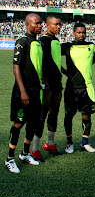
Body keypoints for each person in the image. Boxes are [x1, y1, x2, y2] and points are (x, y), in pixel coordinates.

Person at [5, 13, 43, 173]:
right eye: (37, 23)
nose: (40, 25)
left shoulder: (38, 42)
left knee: (32, 124)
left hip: (36, 92)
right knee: (18, 123)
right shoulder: (22, 41)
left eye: (41, 23)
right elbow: (16, 67)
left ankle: (25, 154)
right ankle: (9, 158)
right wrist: (23, 91)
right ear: (28, 25)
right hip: (23, 93)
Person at [62, 22, 95, 154]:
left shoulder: (91, 46)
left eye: (83, 32)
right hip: (71, 88)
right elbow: (52, 56)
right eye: (79, 32)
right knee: (69, 116)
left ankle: (85, 142)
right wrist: (64, 71)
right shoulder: (67, 47)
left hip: (87, 88)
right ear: (73, 33)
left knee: (87, 116)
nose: (82, 35)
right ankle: (69, 143)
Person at [31, 14, 63, 162]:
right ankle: (35, 148)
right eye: (55, 24)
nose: (58, 27)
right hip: (47, 84)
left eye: (59, 25)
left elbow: (54, 62)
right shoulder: (42, 40)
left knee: (54, 113)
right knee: (42, 115)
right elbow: (39, 62)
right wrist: (43, 83)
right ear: (47, 25)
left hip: (57, 84)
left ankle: (49, 143)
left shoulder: (55, 40)